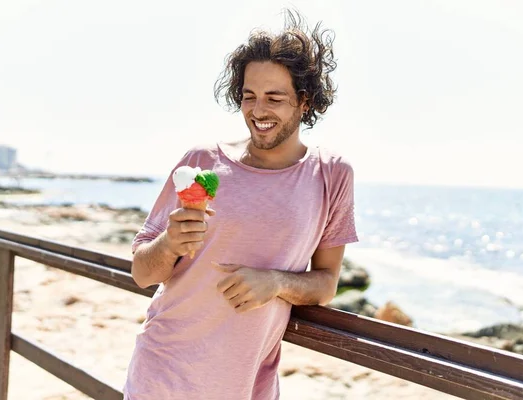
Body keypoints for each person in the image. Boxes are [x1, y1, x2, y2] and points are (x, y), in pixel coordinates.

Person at [124, 10, 358, 400]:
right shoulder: (201, 161)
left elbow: (326, 283)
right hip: (161, 375)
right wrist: (168, 243)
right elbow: (142, 273)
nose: (258, 110)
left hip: (247, 385)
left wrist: (277, 282)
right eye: (249, 96)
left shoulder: (332, 174)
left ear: (304, 101)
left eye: (274, 98)